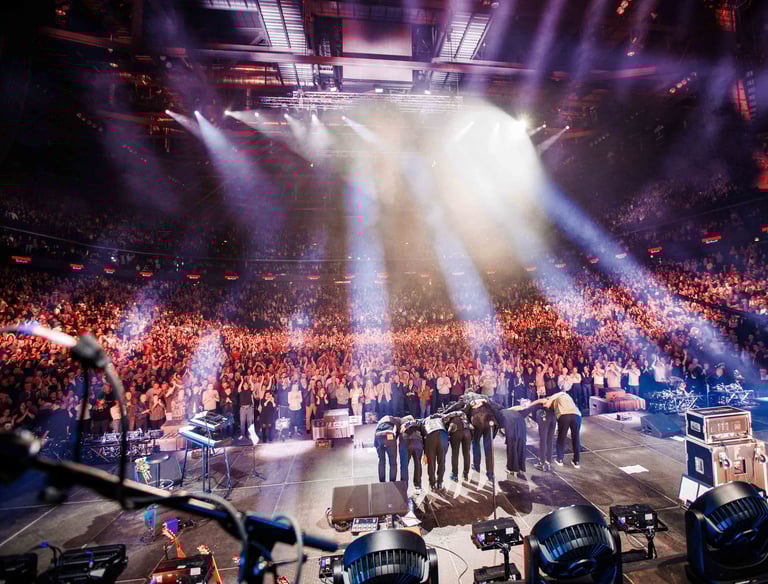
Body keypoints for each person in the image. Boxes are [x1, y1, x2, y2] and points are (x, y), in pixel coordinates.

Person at [545, 391, 582, 469]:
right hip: (577, 416)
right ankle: (576, 461)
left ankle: (560, 459)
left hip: (565, 415)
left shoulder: (555, 398)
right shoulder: (567, 397)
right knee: (576, 438)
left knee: (561, 437)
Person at [443, 409, 471, 482]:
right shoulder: (463, 414)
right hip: (467, 431)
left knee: (455, 454)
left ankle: (455, 475)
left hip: (456, 432)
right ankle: (466, 474)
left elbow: (444, 422)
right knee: (467, 454)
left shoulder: (450, 415)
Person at [423, 415, 449, 491]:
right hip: (442, 435)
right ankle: (440, 483)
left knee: (431, 462)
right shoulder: (441, 418)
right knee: (442, 461)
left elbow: (416, 422)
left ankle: (432, 484)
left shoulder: (424, 420)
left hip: (431, 436)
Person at [399, 415, 424, 492]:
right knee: (418, 464)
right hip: (417, 442)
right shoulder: (417, 423)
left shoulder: (401, 422)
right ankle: (418, 486)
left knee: (404, 465)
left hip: (405, 442)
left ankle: (404, 486)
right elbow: (424, 434)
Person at [374, 415, 400, 483]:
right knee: (393, 463)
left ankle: (382, 482)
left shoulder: (380, 423)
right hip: (389, 435)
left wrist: (377, 447)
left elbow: (375, 437)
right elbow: (397, 433)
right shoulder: (395, 421)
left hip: (378, 436)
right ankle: (392, 482)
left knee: (381, 461)